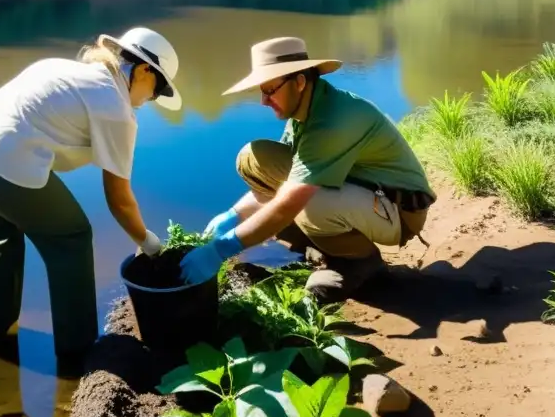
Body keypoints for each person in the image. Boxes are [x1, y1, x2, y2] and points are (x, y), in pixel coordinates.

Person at [0, 27, 181, 373]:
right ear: (143, 71)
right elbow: (119, 199)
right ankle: (78, 354)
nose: (149, 100)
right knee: (72, 237)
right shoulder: (115, 106)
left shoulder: (58, 68)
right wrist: (151, 244)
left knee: (3, 234)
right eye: (156, 92)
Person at [180, 36, 436, 304]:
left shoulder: (333, 121)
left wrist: (222, 248)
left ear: (300, 82)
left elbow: (291, 198)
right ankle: (321, 240)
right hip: (368, 197)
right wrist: (233, 215)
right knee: (256, 158)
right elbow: (279, 182)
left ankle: (358, 260)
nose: (263, 101)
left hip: (400, 212)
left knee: (306, 200)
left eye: (270, 90)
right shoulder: (304, 112)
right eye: (261, 91)